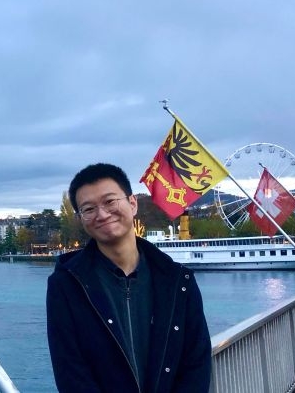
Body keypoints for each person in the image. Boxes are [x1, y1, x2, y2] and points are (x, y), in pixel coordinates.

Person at [46, 163, 211, 393]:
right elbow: (71, 372)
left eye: (110, 201)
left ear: (132, 203)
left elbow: (196, 362)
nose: (102, 214)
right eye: (89, 209)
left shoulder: (178, 281)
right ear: (81, 219)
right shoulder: (66, 284)